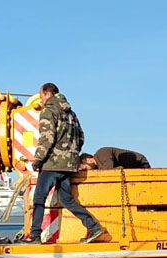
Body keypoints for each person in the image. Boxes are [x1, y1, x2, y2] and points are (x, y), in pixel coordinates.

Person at [25, 83, 102, 244]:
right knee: (67, 200)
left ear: (47, 94)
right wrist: (72, 155)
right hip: (69, 165)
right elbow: (81, 137)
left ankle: (35, 236)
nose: (41, 100)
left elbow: (47, 139)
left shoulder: (49, 111)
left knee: (39, 198)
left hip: (52, 165)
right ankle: (93, 226)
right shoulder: (71, 113)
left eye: (41, 97)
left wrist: (38, 161)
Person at [80, 147, 150, 170]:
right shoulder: (99, 166)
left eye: (85, 168)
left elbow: (109, 171)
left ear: (88, 159)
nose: (87, 171)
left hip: (140, 164)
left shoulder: (101, 153)